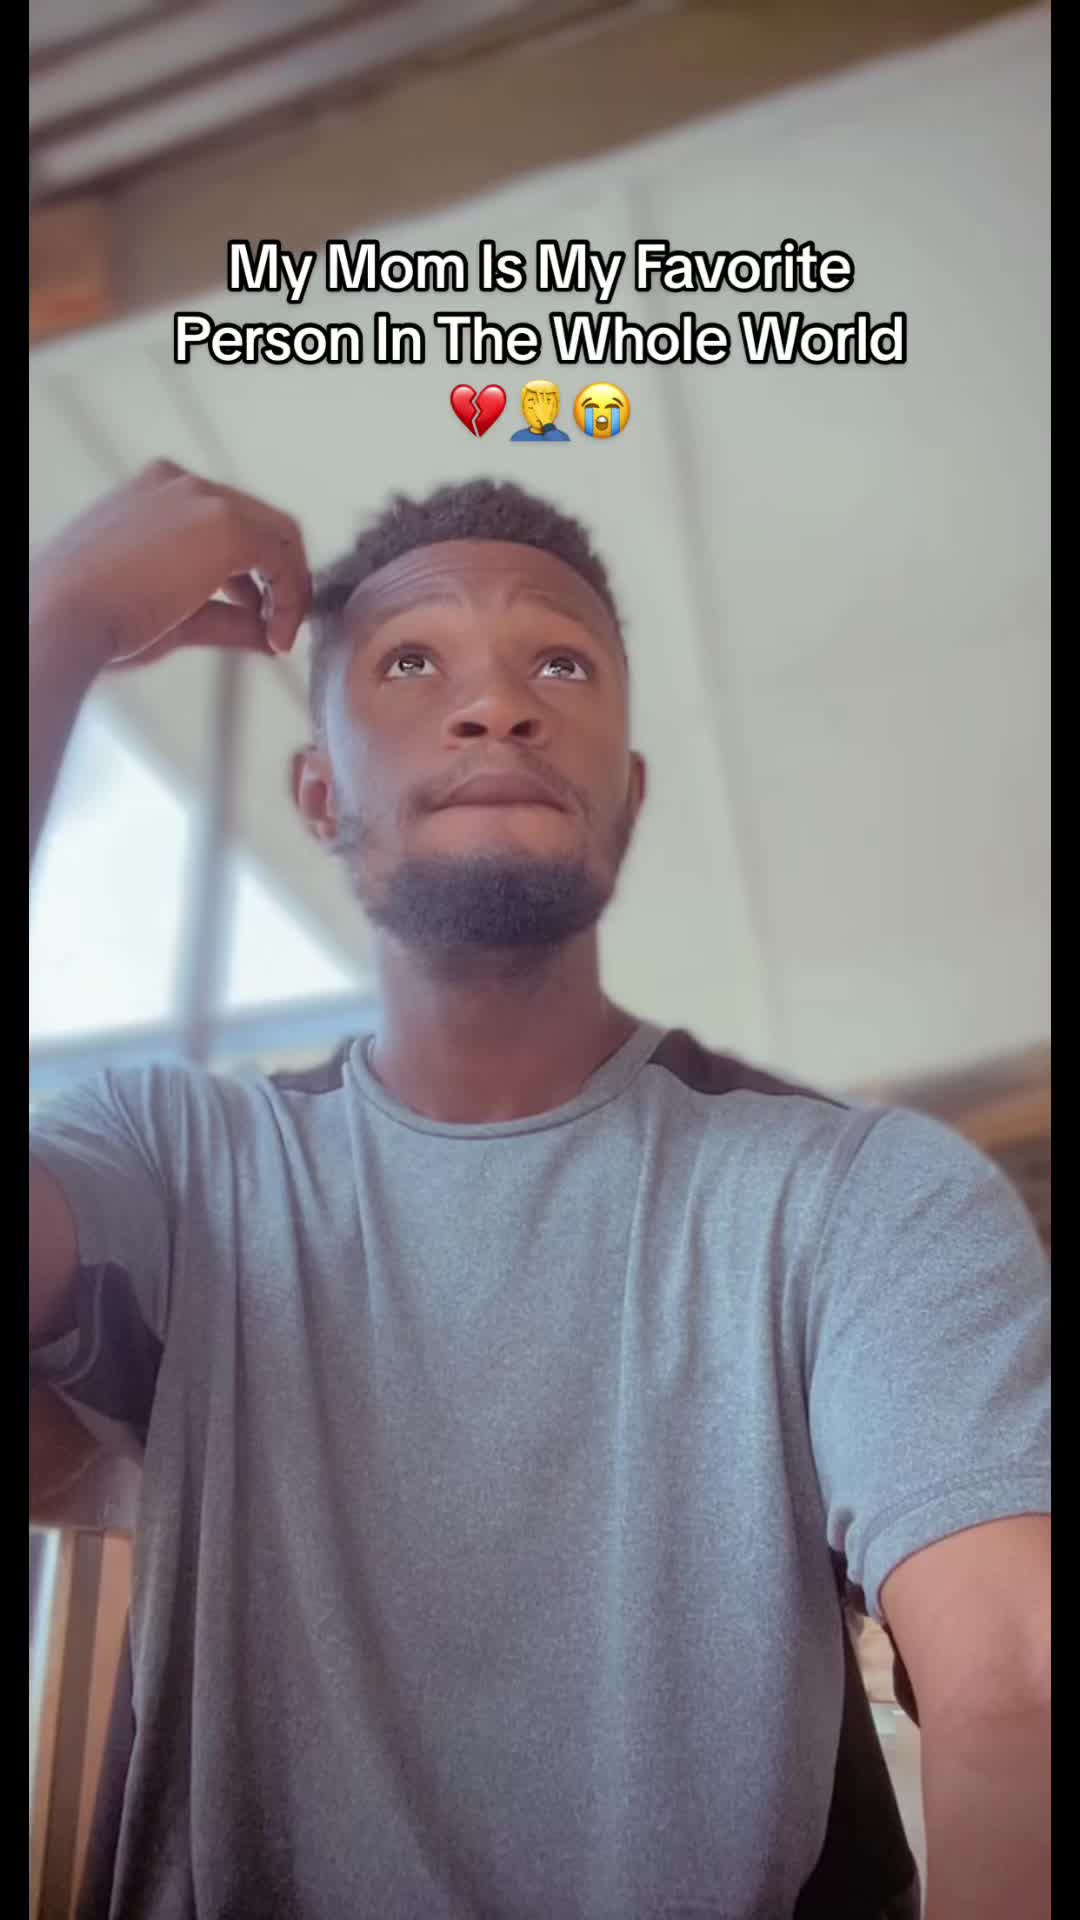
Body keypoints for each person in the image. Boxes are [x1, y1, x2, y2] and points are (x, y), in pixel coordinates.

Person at [29, 463, 1050, 1920]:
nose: (496, 705)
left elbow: (1016, 1679)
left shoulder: (864, 1198)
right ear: (319, 794)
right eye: (410, 662)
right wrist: (58, 621)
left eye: (558, 664)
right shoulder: (177, 1163)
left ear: (626, 797)